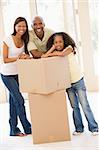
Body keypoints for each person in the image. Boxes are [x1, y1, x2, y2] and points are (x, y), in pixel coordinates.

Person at [42, 32, 99, 136]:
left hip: (78, 80)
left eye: (60, 41)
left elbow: (62, 54)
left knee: (84, 105)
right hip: (68, 84)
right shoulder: (55, 51)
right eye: (55, 42)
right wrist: (52, 49)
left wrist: (51, 53)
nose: (58, 44)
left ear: (64, 41)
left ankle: (94, 128)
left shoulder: (69, 48)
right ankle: (79, 129)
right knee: (74, 107)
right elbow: (43, 57)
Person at [0, 17, 31, 136]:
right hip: (7, 75)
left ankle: (13, 129)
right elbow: (5, 59)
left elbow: (24, 55)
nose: (22, 28)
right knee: (20, 100)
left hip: (18, 74)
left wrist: (26, 57)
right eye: (19, 26)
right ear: (15, 26)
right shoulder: (7, 40)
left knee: (14, 102)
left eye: (24, 26)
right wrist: (19, 58)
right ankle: (27, 128)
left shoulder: (25, 40)